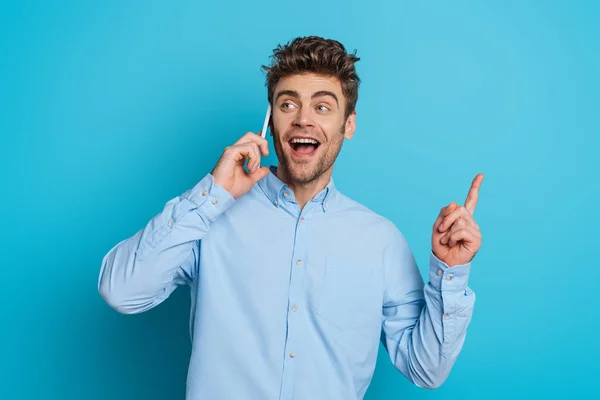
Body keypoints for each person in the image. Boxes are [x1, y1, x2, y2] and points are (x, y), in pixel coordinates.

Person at [98, 35, 483, 400]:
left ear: (348, 125)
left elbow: (427, 369)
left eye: (322, 106)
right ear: (270, 121)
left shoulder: (380, 240)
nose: (302, 120)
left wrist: (450, 273)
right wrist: (212, 195)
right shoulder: (210, 217)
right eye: (288, 104)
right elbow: (122, 291)